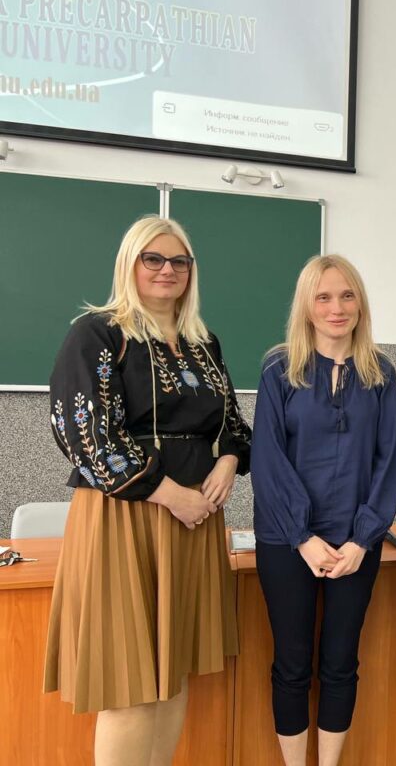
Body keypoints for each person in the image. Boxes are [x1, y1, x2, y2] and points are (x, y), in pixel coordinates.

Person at [44, 215, 251, 766]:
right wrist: (168, 493)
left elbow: (232, 423)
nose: (167, 270)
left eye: (179, 261)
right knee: (132, 686)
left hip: (195, 520)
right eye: (152, 259)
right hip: (127, 519)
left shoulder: (204, 343)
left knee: (172, 677)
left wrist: (229, 460)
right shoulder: (97, 334)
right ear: (129, 264)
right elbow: (85, 435)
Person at [250, 255, 396, 766]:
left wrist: (363, 537)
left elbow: (389, 459)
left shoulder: (381, 373)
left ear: (360, 304)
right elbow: (267, 458)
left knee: (341, 663)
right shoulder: (279, 369)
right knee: (292, 665)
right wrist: (302, 536)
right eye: (324, 297)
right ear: (307, 306)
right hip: (287, 542)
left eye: (346, 295)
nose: (336, 307)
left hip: (355, 545)